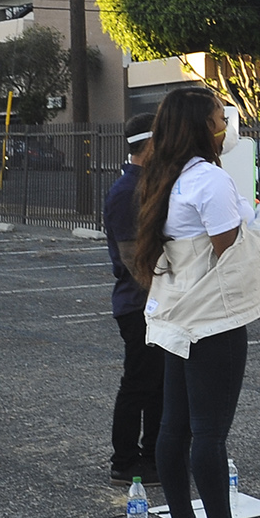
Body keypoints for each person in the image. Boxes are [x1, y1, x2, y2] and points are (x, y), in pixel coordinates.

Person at [131, 86, 260, 518]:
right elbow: (230, 255)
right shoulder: (209, 180)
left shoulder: (164, 175)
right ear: (201, 127)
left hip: (176, 315)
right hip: (211, 320)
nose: (226, 127)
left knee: (173, 427)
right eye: (221, 119)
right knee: (209, 433)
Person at [103, 112, 163, 485]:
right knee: (140, 383)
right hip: (139, 305)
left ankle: (154, 456)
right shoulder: (127, 191)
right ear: (151, 145)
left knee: (159, 385)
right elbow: (131, 258)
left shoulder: (147, 185)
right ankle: (124, 461)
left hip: (152, 302)